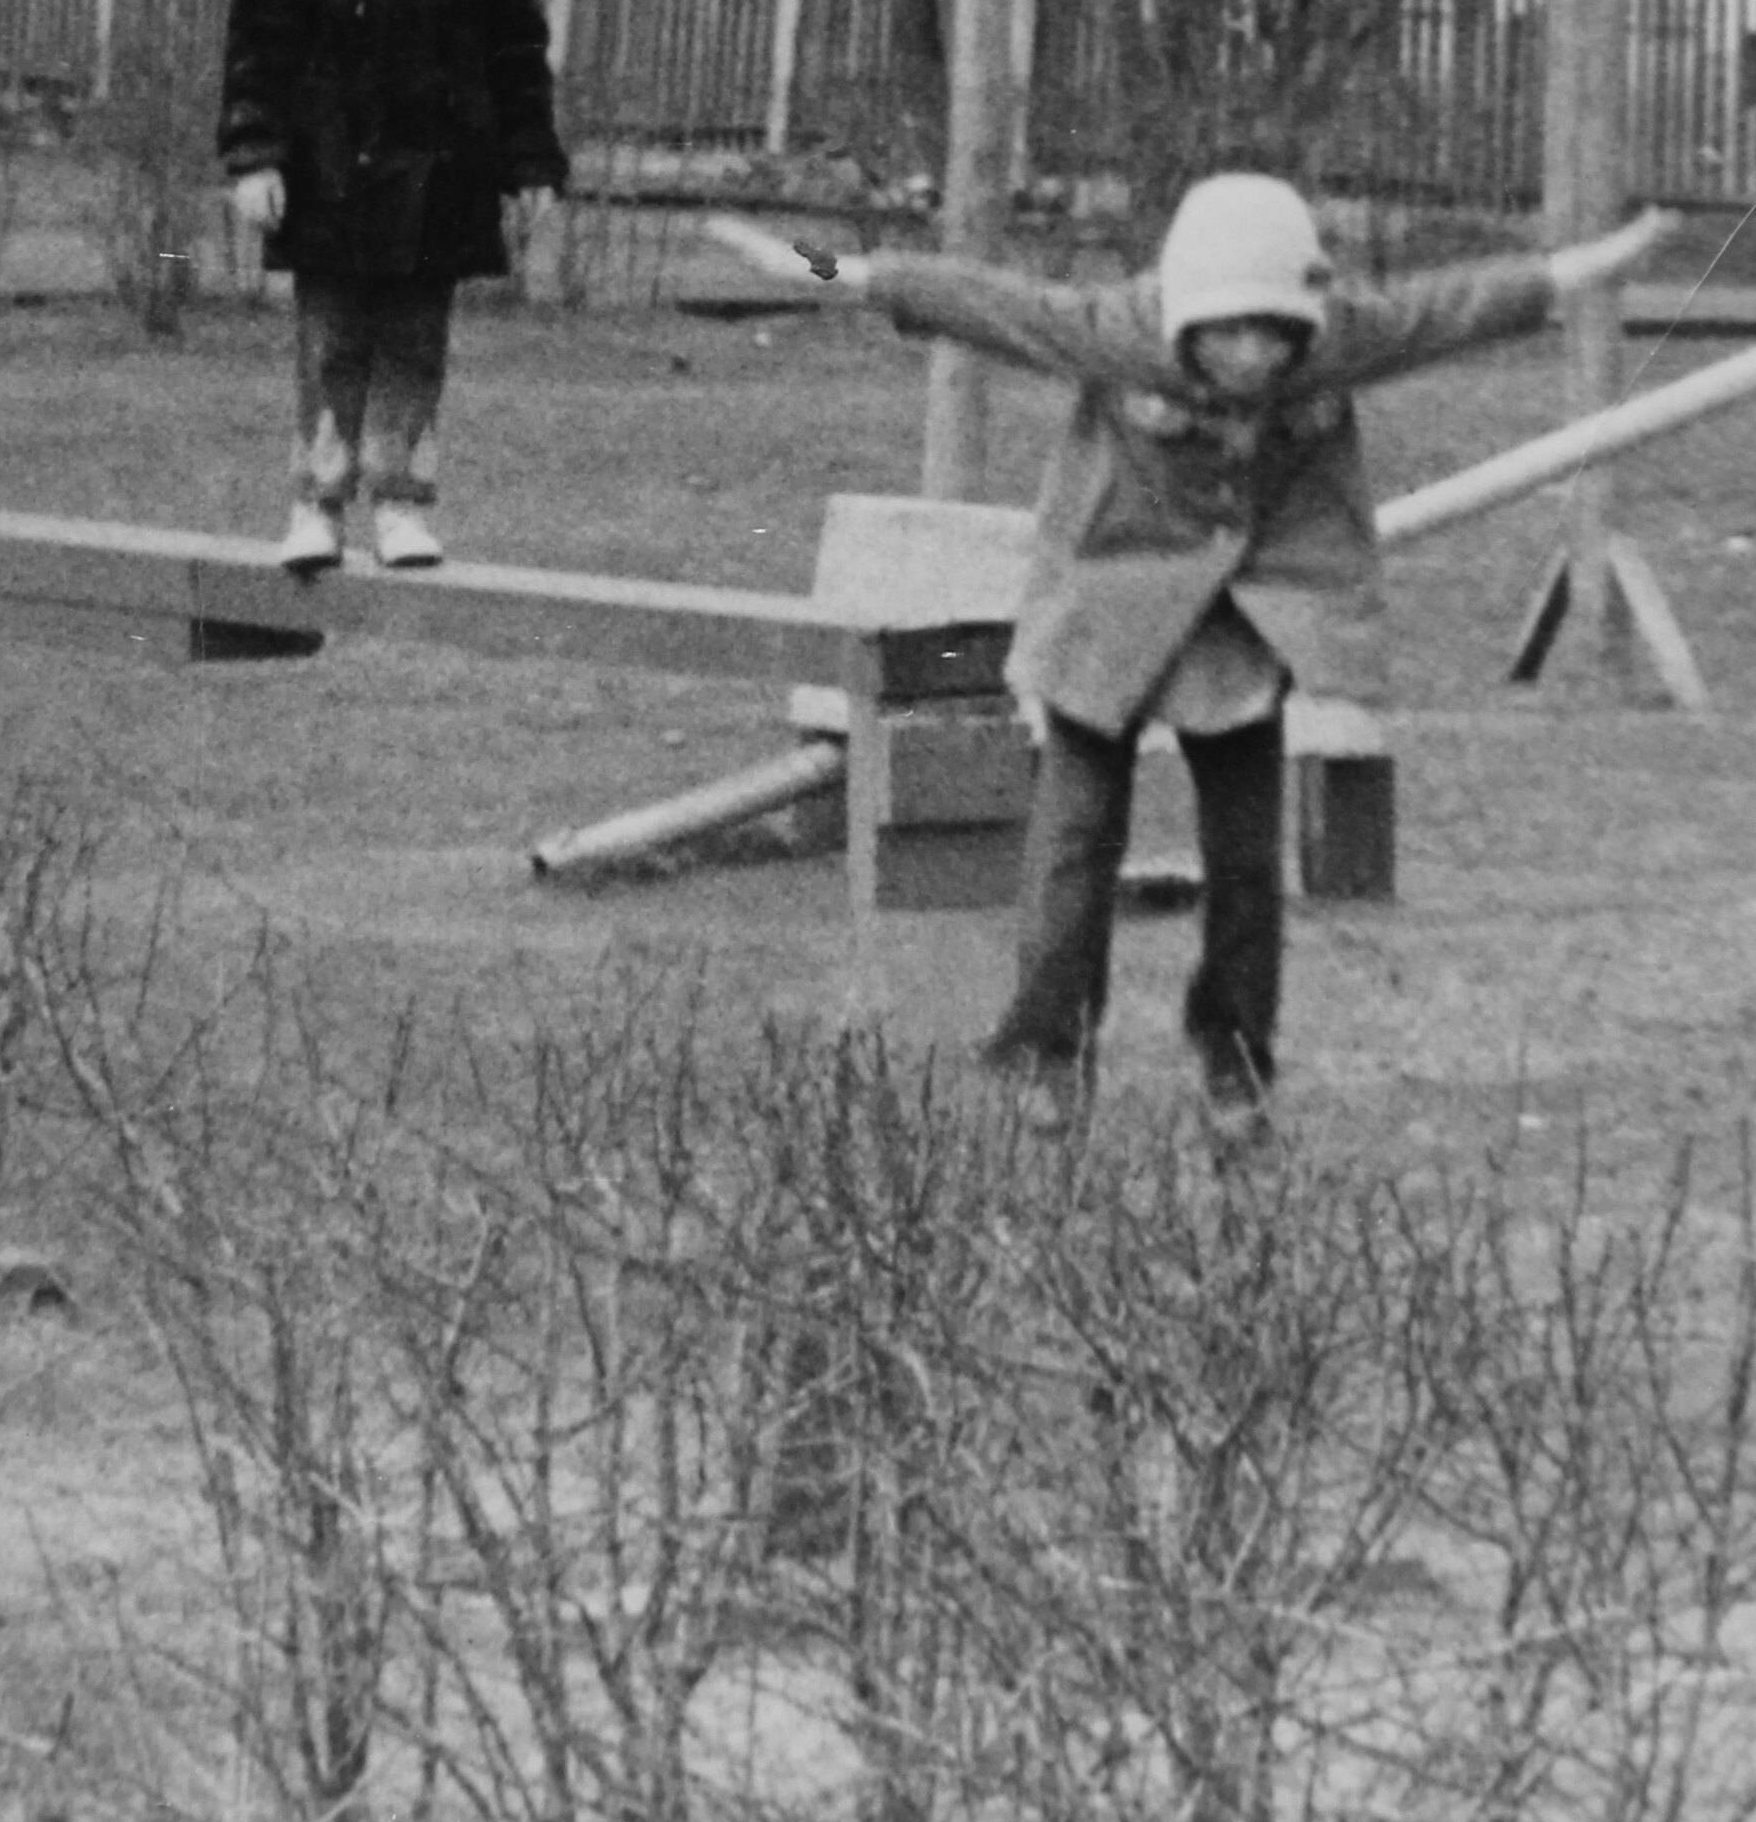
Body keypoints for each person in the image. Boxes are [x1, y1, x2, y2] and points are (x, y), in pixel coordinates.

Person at [711, 173, 1668, 1122]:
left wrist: (1600, 262)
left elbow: (1457, 306)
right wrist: (798, 258)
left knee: (1245, 855)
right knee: (1075, 837)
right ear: (1184, 315)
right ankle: (1044, 1049)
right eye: (1227, 332)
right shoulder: (1116, 330)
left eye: (1271, 331)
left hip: (1236, 630)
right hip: (1108, 615)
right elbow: (950, 295)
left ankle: (1236, 1060)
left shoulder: (1334, 342)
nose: (1251, 355)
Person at [221, 0, 570, 572]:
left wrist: (532, 167)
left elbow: (518, 58)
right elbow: (259, 52)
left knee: (417, 347)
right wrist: (254, 156)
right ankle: (317, 503)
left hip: (442, 186)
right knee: (332, 343)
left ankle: (404, 504)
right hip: (330, 179)